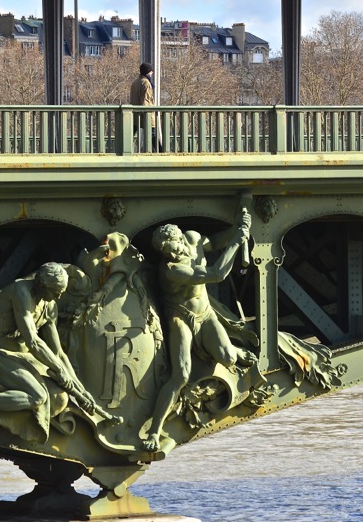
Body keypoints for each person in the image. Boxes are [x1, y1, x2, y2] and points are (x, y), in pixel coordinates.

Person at [0, 262, 112, 440]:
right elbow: (33, 341)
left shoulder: (49, 305)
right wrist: (59, 370)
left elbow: (58, 353)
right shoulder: (20, 292)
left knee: (58, 398)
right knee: (38, 396)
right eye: (56, 291)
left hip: (17, 356)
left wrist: (82, 393)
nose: (59, 297)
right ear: (42, 285)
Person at [142, 211, 257, 452]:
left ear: (179, 237)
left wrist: (237, 229)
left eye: (170, 247)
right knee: (180, 376)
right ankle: (154, 430)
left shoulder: (193, 239)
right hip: (180, 318)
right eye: (164, 252)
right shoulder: (171, 270)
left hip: (205, 313)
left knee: (229, 358)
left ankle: (232, 348)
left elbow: (213, 242)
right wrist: (237, 241)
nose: (170, 254)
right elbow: (217, 274)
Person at [129, 62, 159, 151]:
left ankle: (123, 150)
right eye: (151, 71)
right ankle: (161, 152)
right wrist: (146, 114)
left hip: (135, 114)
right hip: (145, 115)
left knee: (131, 133)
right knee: (152, 134)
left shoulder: (135, 82)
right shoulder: (146, 83)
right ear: (148, 72)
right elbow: (146, 101)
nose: (152, 73)